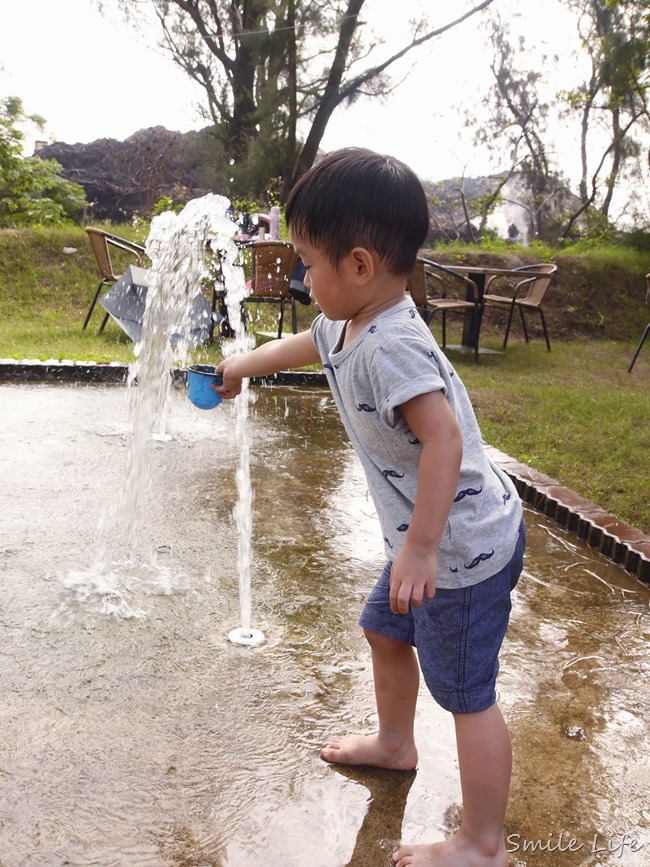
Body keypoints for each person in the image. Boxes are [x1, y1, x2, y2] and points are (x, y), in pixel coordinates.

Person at [215, 147, 525, 867]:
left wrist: (418, 548)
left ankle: (483, 841)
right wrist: (239, 366)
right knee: (385, 630)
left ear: (357, 265)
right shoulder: (350, 318)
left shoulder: (394, 345)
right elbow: (305, 344)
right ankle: (394, 741)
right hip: (423, 544)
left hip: (459, 553)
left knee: (467, 692)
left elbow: (443, 438)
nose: (300, 278)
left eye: (306, 264)